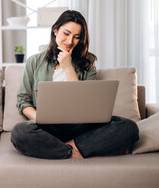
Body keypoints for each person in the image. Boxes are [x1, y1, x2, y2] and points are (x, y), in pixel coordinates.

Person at [11, 10, 139, 159]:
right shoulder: (35, 62)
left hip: (81, 127)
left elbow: (84, 102)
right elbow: (23, 100)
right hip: (47, 128)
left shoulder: (88, 62)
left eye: (76, 37)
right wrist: (40, 118)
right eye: (66, 33)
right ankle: (76, 151)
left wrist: (68, 66)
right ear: (55, 30)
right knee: (19, 132)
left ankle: (66, 149)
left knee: (129, 127)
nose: (70, 41)